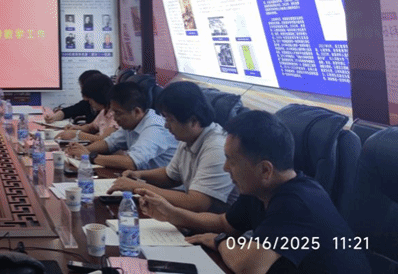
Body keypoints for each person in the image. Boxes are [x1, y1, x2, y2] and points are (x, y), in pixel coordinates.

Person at [138, 110, 371, 274]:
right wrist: (172, 213)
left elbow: (249, 266)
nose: (225, 167)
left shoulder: (298, 202)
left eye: (231, 160)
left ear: (265, 170)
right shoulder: (259, 190)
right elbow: (223, 223)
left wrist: (219, 242)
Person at [107, 81, 235, 212]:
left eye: (170, 120)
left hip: (215, 221)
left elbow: (197, 202)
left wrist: (138, 187)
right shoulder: (188, 138)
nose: (166, 125)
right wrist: (139, 175)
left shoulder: (216, 148)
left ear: (193, 121)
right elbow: (170, 176)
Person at [68, 82, 177, 170]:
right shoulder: (131, 124)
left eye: (118, 113)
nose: (115, 118)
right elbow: (109, 143)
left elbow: (131, 162)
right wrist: (81, 150)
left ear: (137, 111)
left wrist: (90, 156)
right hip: (141, 180)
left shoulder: (155, 128)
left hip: (161, 188)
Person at [56, 74, 118, 144]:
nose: (90, 103)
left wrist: (77, 134)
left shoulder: (116, 114)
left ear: (99, 97)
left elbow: (103, 140)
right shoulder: (104, 111)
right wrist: (76, 128)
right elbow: (91, 127)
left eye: (90, 100)